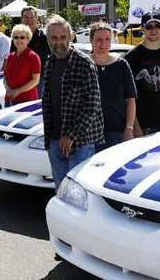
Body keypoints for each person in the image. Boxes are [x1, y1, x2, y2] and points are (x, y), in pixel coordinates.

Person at [42, 15, 104, 189]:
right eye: (54, 38)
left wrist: (71, 135)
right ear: (48, 39)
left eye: (63, 37)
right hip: (54, 138)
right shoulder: (50, 62)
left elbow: (93, 104)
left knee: (79, 193)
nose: (59, 42)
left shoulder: (84, 63)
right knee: (61, 191)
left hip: (80, 142)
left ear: (70, 37)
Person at [90, 22, 137, 152]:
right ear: (91, 41)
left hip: (117, 132)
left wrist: (129, 128)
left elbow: (131, 99)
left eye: (107, 39)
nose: (103, 44)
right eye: (99, 39)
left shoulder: (122, 65)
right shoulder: (83, 64)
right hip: (88, 134)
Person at [11, 6, 51, 96]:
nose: (29, 20)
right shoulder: (16, 37)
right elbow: (12, 58)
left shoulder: (44, 37)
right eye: (26, 17)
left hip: (39, 81)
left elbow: (54, 56)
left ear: (36, 19)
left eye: (32, 17)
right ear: (22, 19)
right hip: (19, 80)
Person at [3, 24, 41, 106]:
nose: (19, 40)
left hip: (27, 102)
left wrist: (17, 91)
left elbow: (36, 80)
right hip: (9, 100)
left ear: (28, 39)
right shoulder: (10, 57)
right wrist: (8, 88)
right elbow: (5, 77)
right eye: (16, 37)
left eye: (22, 37)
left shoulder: (33, 57)